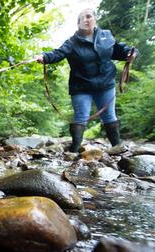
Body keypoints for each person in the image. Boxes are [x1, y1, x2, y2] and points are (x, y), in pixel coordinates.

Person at [35, 8, 137, 152]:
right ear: (78, 24)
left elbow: (120, 50)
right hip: (81, 87)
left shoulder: (106, 36)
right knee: (80, 116)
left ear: (95, 20)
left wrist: (131, 53)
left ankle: (117, 148)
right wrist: (44, 57)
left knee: (109, 115)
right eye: (81, 18)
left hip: (106, 84)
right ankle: (75, 150)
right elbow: (58, 53)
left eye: (88, 17)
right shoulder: (71, 42)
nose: (85, 20)